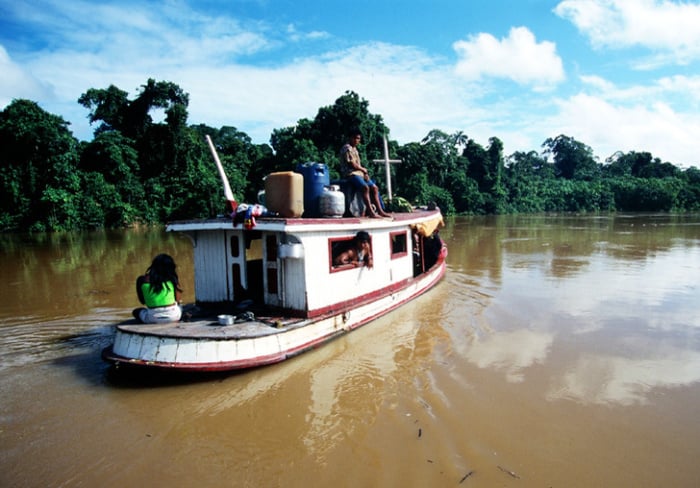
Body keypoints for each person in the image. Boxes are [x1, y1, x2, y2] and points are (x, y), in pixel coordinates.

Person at [339, 130, 391, 218]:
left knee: (374, 188)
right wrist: (363, 170)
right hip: (350, 173)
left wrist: (364, 173)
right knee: (365, 187)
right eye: (355, 138)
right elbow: (352, 164)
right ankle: (370, 212)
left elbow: (358, 166)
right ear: (350, 138)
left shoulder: (355, 149)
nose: (357, 140)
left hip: (359, 173)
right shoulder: (347, 148)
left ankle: (380, 211)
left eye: (358, 138)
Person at [132, 254, 183, 323]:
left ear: (153, 266)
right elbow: (177, 299)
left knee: (136, 311)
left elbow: (142, 301)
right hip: (174, 317)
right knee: (180, 307)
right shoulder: (172, 279)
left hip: (152, 318)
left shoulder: (142, 280)